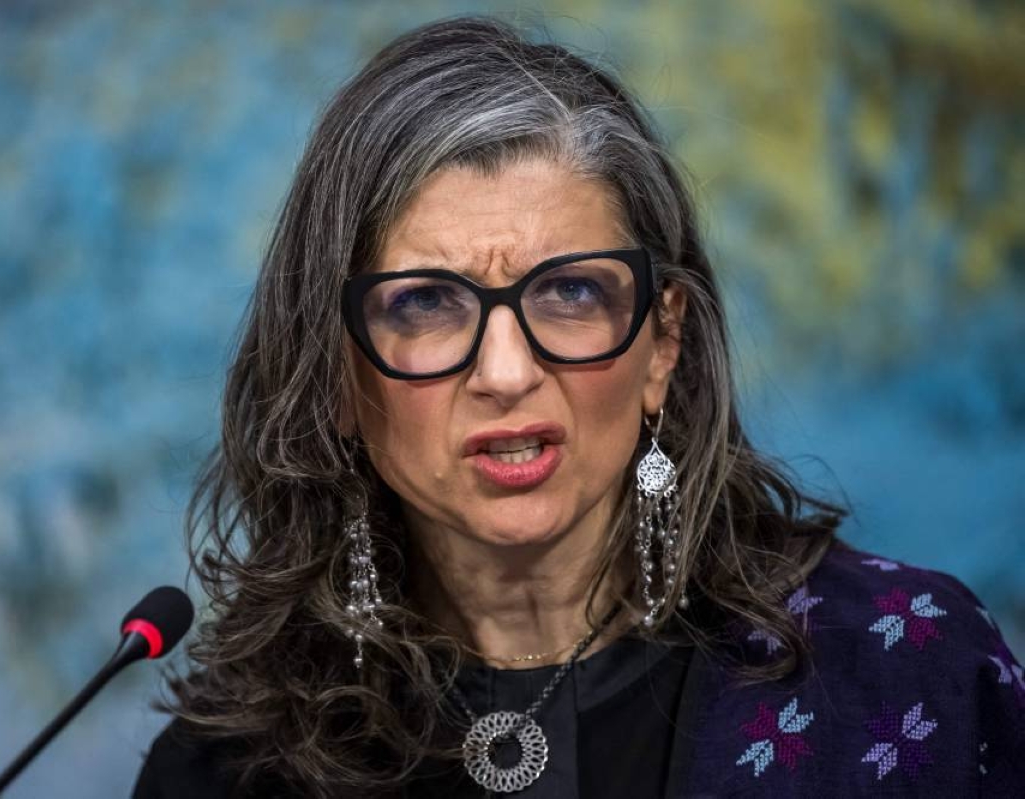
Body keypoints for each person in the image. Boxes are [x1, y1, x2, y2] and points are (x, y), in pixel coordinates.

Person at [133, 16, 1024, 798]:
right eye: (425, 304)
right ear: (333, 374)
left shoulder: (909, 675)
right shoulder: (229, 771)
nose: (507, 370)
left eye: (568, 292)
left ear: (661, 346)